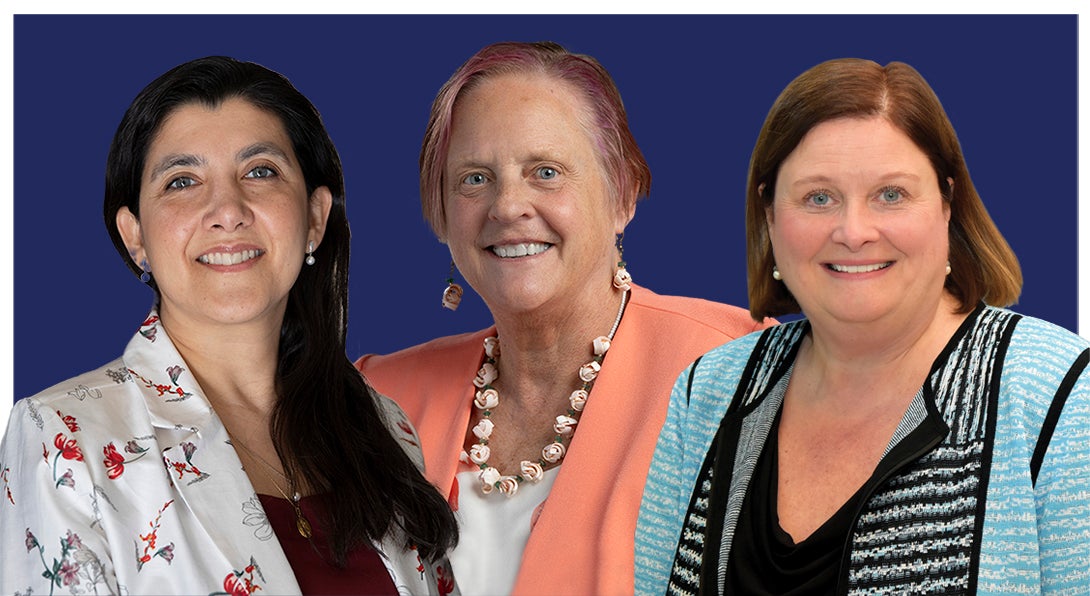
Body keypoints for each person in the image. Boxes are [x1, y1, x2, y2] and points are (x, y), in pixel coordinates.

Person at [0, 56, 458, 595]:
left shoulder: (383, 425)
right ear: (135, 236)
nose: (227, 209)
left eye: (260, 171)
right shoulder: (65, 435)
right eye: (182, 181)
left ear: (315, 218)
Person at [636, 58, 1090, 595]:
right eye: (818, 198)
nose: (854, 232)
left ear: (947, 203)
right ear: (770, 215)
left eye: (891, 194)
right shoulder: (707, 394)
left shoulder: (1057, 393)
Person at [355, 41, 773, 595]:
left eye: (545, 171)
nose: (507, 206)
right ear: (441, 215)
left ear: (622, 195)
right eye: (474, 179)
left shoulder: (739, 372)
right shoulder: (377, 399)